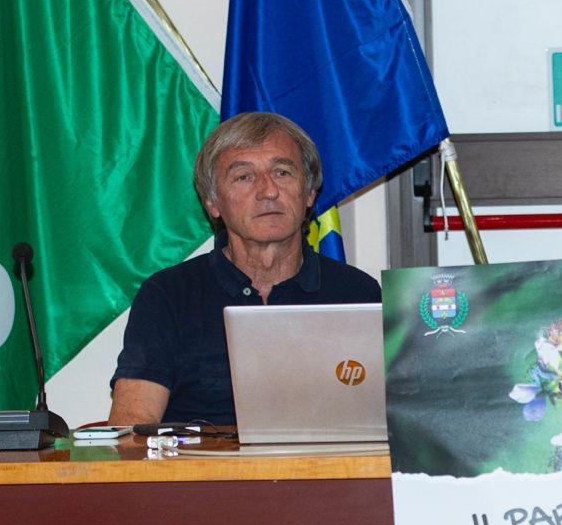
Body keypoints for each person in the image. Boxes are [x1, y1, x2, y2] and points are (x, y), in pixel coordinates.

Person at [108, 112, 381, 425]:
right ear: (212, 203)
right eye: (243, 177)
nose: (268, 191)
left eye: (282, 172)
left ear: (309, 193)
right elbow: (132, 427)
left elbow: (396, 419)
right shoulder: (168, 295)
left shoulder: (358, 294)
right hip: (204, 458)